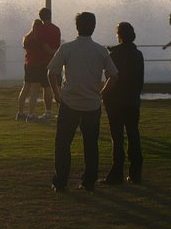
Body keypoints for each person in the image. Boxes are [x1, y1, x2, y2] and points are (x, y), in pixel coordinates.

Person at [47, 12, 118, 192]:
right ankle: (88, 181)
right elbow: (113, 76)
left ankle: (61, 181)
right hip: (92, 104)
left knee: (63, 144)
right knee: (91, 144)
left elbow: (51, 72)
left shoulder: (67, 48)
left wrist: (57, 94)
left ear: (77, 27)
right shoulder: (100, 50)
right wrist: (101, 94)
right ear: (93, 27)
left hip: (69, 102)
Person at [102, 21, 144, 185]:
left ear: (119, 35)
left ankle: (116, 172)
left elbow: (111, 78)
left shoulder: (114, 54)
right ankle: (135, 173)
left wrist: (103, 94)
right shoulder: (138, 54)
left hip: (115, 102)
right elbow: (140, 80)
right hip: (132, 100)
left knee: (117, 137)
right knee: (134, 134)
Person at [33, 7, 61, 120]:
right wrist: (55, 52)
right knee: (58, 86)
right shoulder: (56, 29)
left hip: (44, 61)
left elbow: (42, 45)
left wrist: (50, 51)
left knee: (47, 87)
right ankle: (61, 111)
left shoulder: (40, 29)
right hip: (56, 60)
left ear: (41, 17)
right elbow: (57, 46)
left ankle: (48, 112)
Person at [16, 19, 45, 120]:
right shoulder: (39, 38)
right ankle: (31, 114)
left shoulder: (27, 38)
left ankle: (20, 113)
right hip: (36, 65)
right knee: (35, 91)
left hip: (28, 64)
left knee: (25, 88)